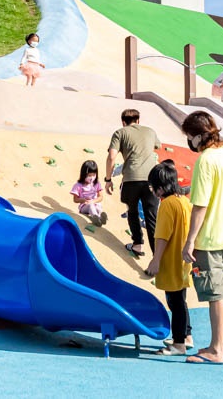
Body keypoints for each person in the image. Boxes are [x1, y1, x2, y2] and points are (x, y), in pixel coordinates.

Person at [180, 111, 223, 365]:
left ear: (196, 137)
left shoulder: (206, 160)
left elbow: (200, 205)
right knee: (220, 288)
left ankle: (215, 349)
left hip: (209, 235)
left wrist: (190, 240)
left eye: (189, 137)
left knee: (214, 293)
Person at [145, 160, 194, 356]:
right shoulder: (184, 201)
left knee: (175, 302)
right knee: (180, 299)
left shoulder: (166, 205)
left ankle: (179, 343)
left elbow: (162, 235)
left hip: (172, 259)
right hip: (183, 259)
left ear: (159, 188)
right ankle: (185, 336)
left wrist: (155, 260)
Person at [105, 109, 161, 258]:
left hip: (131, 179)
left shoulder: (120, 132)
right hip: (151, 181)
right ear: (138, 120)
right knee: (152, 217)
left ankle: (137, 245)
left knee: (132, 212)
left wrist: (108, 179)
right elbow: (158, 146)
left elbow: (111, 157)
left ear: (123, 122)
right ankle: (158, 259)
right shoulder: (150, 131)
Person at [70, 160, 107, 225]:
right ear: (84, 174)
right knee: (90, 206)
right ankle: (96, 218)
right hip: (84, 206)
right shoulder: (78, 185)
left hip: (94, 203)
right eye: (89, 175)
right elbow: (75, 199)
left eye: (94, 175)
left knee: (98, 207)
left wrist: (93, 201)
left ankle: (101, 217)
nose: (92, 178)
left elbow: (101, 197)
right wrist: (83, 200)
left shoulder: (97, 183)